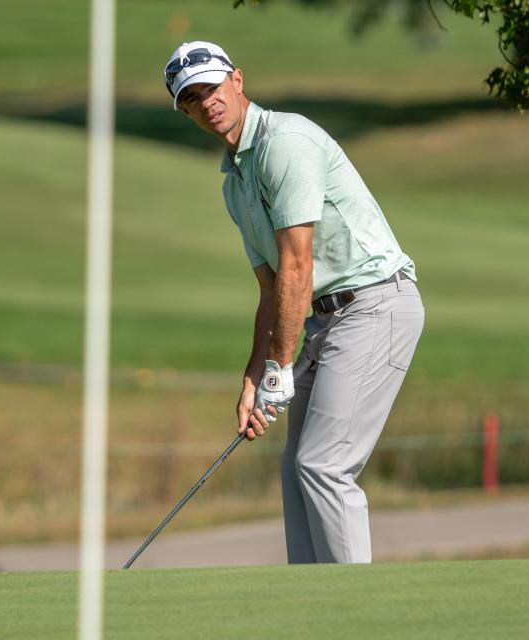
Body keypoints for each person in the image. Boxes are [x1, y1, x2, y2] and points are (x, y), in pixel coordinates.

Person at [164, 41, 424, 564]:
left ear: (237, 81)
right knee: (295, 471)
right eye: (192, 97)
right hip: (329, 320)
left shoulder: (286, 142)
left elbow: (298, 267)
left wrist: (281, 369)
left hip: (375, 304)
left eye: (211, 87)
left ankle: (350, 610)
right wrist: (254, 377)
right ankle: (309, 604)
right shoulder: (234, 182)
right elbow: (272, 288)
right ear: (186, 110)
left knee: (324, 464)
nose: (206, 102)